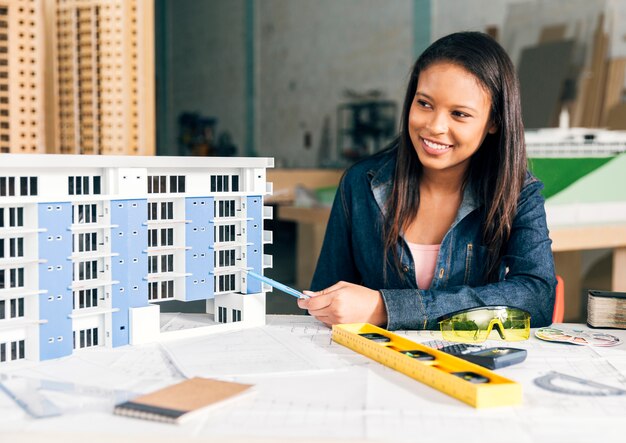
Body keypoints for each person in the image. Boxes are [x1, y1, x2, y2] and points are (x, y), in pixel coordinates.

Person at [298, 32, 557, 330]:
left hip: (468, 368)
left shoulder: (517, 192)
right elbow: (324, 299)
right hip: (372, 363)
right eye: (424, 104)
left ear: (494, 122)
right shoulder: (360, 184)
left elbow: (538, 298)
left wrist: (387, 308)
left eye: (459, 114)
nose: (434, 127)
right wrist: (325, 306)